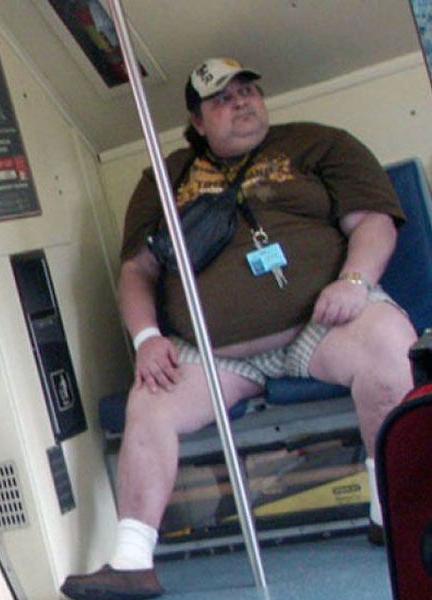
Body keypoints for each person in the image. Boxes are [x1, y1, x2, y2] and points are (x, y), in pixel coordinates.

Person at [62, 57, 417, 600]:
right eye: (222, 99)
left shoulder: (319, 144)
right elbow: (138, 271)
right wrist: (146, 339)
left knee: (390, 347)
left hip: (321, 325)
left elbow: (373, 221)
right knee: (150, 402)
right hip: (211, 350)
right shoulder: (165, 178)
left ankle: (392, 514)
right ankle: (131, 561)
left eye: (247, 90)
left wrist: (354, 281)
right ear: (198, 122)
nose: (241, 103)